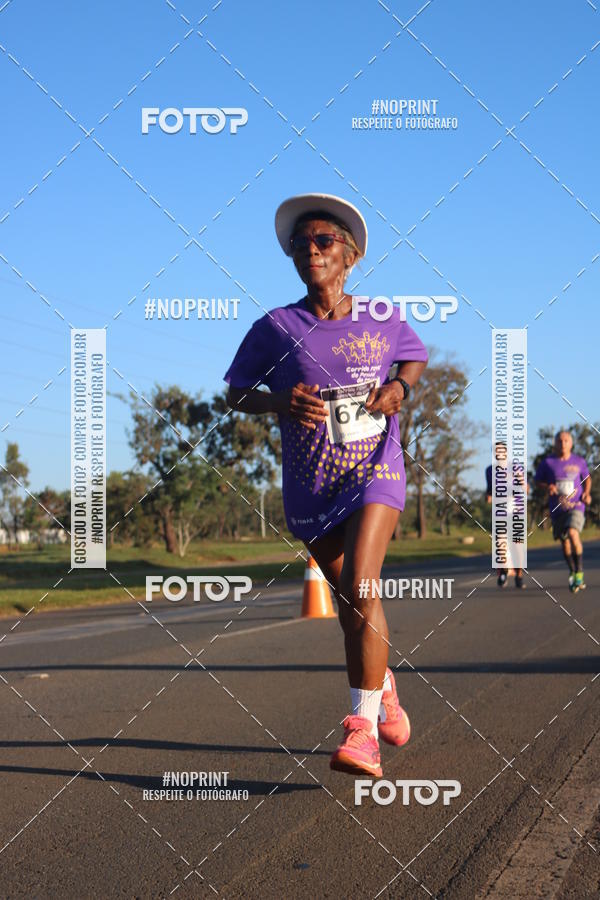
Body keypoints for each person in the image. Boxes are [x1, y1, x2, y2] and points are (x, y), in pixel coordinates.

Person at [224, 193, 428, 777]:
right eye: (300, 244)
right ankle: (382, 685)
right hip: (312, 483)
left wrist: (400, 390)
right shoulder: (276, 327)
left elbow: (413, 359)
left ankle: (361, 730)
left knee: (363, 587)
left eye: (324, 241)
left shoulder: (383, 319)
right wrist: (276, 402)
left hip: (376, 471)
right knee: (352, 605)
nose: (310, 251)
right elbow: (235, 392)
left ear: (352, 255)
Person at [535, 431, 591, 593]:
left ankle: (579, 573)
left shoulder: (579, 461)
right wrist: (548, 487)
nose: (563, 443)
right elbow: (538, 481)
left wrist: (586, 493)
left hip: (577, 506)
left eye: (566, 440)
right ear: (555, 443)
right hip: (558, 509)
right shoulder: (547, 462)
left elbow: (586, 479)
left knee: (573, 533)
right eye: (560, 441)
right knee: (565, 542)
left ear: (571, 443)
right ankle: (572, 570)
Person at [485, 449, 526, 589]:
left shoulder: (516, 467)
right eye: (496, 452)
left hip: (516, 512)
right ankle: (503, 571)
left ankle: (519, 575)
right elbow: (489, 489)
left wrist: (520, 481)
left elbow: (526, 489)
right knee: (500, 544)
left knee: (517, 547)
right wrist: (488, 497)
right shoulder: (489, 470)